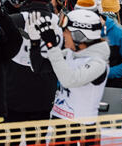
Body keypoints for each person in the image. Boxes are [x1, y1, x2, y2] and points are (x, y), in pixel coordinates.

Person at [31, 9, 109, 140]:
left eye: (66, 33)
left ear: (79, 36)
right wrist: (35, 42)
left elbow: (70, 80)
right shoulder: (71, 54)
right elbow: (39, 67)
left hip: (81, 131)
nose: (63, 37)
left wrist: (52, 46)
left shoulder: (98, 63)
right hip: (61, 125)